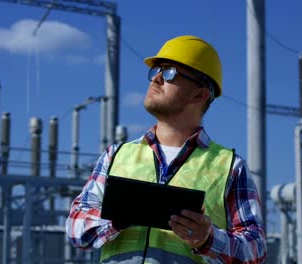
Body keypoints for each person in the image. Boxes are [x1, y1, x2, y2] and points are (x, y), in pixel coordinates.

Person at [65, 35, 267, 263]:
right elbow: (75, 229)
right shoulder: (116, 156)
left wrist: (208, 238)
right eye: (157, 70)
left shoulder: (230, 167)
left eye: (170, 72)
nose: (157, 78)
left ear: (199, 94)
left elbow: (255, 250)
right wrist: (116, 218)